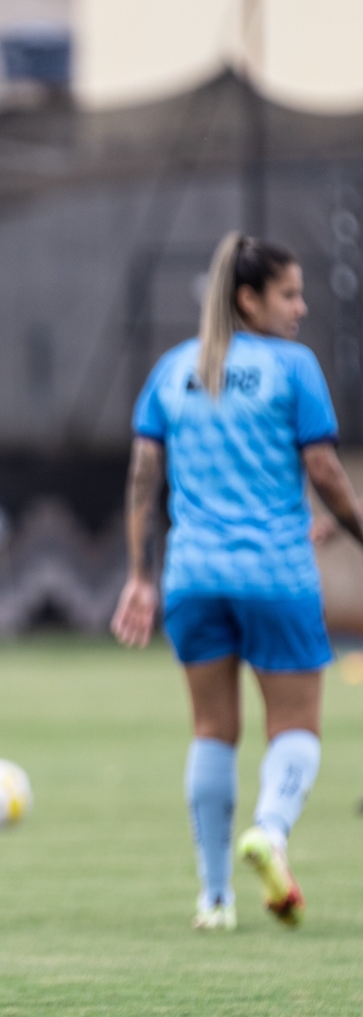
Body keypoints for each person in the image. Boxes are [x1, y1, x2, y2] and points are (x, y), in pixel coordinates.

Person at [112, 231, 363, 932]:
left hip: (192, 578)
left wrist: (140, 576)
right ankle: (272, 831)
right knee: (296, 727)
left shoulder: (171, 370)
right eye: (289, 293)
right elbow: (325, 473)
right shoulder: (293, 368)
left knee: (212, 731)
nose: (302, 307)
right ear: (249, 299)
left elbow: (142, 478)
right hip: (275, 575)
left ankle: (214, 897)